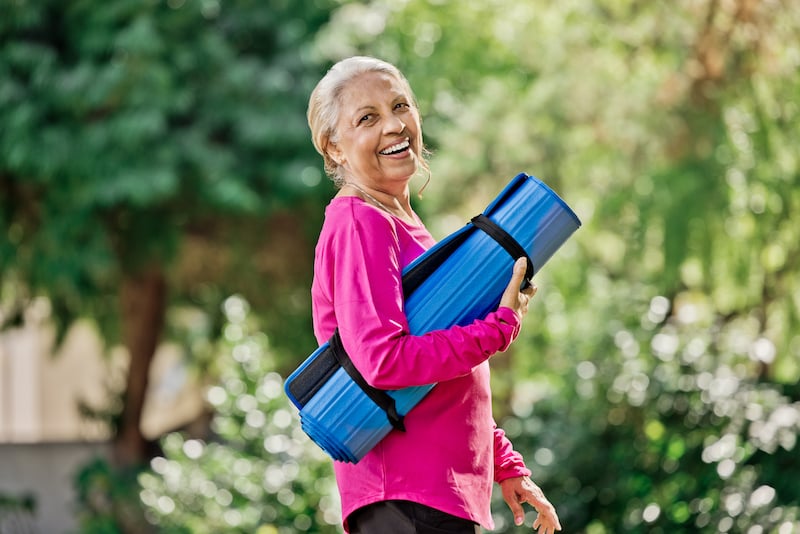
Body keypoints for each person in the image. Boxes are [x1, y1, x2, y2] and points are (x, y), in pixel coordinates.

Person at [306, 56, 562, 534]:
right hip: (402, 497)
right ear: (335, 148)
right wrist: (495, 331)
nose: (395, 125)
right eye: (368, 118)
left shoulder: (398, 223)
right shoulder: (360, 221)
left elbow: (439, 382)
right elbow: (383, 364)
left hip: (431, 497)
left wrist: (503, 463)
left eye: (400, 106)